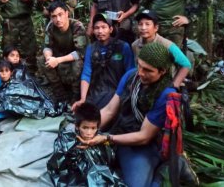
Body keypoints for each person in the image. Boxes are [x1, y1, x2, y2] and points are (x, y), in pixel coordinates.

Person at [78, 42, 177, 186]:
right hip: (120, 131)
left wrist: (106, 138)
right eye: (139, 65)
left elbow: (144, 137)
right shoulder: (131, 76)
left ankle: (163, 171)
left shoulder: (165, 95)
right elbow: (110, 110)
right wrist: (88, 128)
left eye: (148, 70)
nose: (141, 72)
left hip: (143, 144)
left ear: (162, 71)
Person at [47, 102, 125, 186]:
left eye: (93, 128)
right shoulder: (69, 140)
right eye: (85, 128)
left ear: (97, 127)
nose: (89, 133)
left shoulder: (101, 139)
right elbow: (58, 166)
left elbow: (109, 159)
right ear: (77, 126)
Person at [72, 13, 135, 111]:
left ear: (110, 29)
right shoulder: (91, 48)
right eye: (96, 28)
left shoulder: (123, 47)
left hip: (117, 92)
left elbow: (130, 73)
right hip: (96, 92)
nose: (100, 31)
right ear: (93, 30)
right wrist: (83, 98)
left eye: (103, 27)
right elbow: (86, 73)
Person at [38, 2, 88, 103]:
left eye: (60, 14)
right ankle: (60, 93)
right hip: (58, 58)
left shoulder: (77, 26)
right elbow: (47, 47)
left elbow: (81, 52)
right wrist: (49, 58)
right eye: (54, 16)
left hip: (72, 59)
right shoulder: (51, 27)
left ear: (66, 13)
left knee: (78, 63)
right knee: (42, 60)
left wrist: (57, 60)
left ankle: (76, 95)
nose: (58, 19)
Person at [132, 9, 191, 89]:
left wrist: (175, 85)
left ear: (156, 28)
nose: (143, 28)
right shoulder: (135, 45)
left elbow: (186, 64)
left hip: (164, 84)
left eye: (147, 24)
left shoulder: (167, 45)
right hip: (144, 82)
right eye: (140, 24)